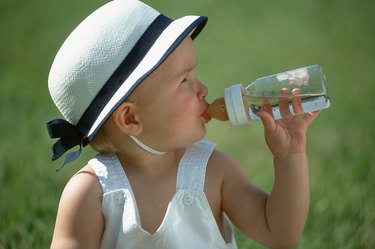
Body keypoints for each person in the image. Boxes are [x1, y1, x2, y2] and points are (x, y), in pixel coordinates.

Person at [46, 0, 320, 248]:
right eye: (184, 80)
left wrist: (290, 158)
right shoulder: (90, 193)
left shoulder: (214, 171)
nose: (203, 89)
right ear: (131, 119)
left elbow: (279, 234)